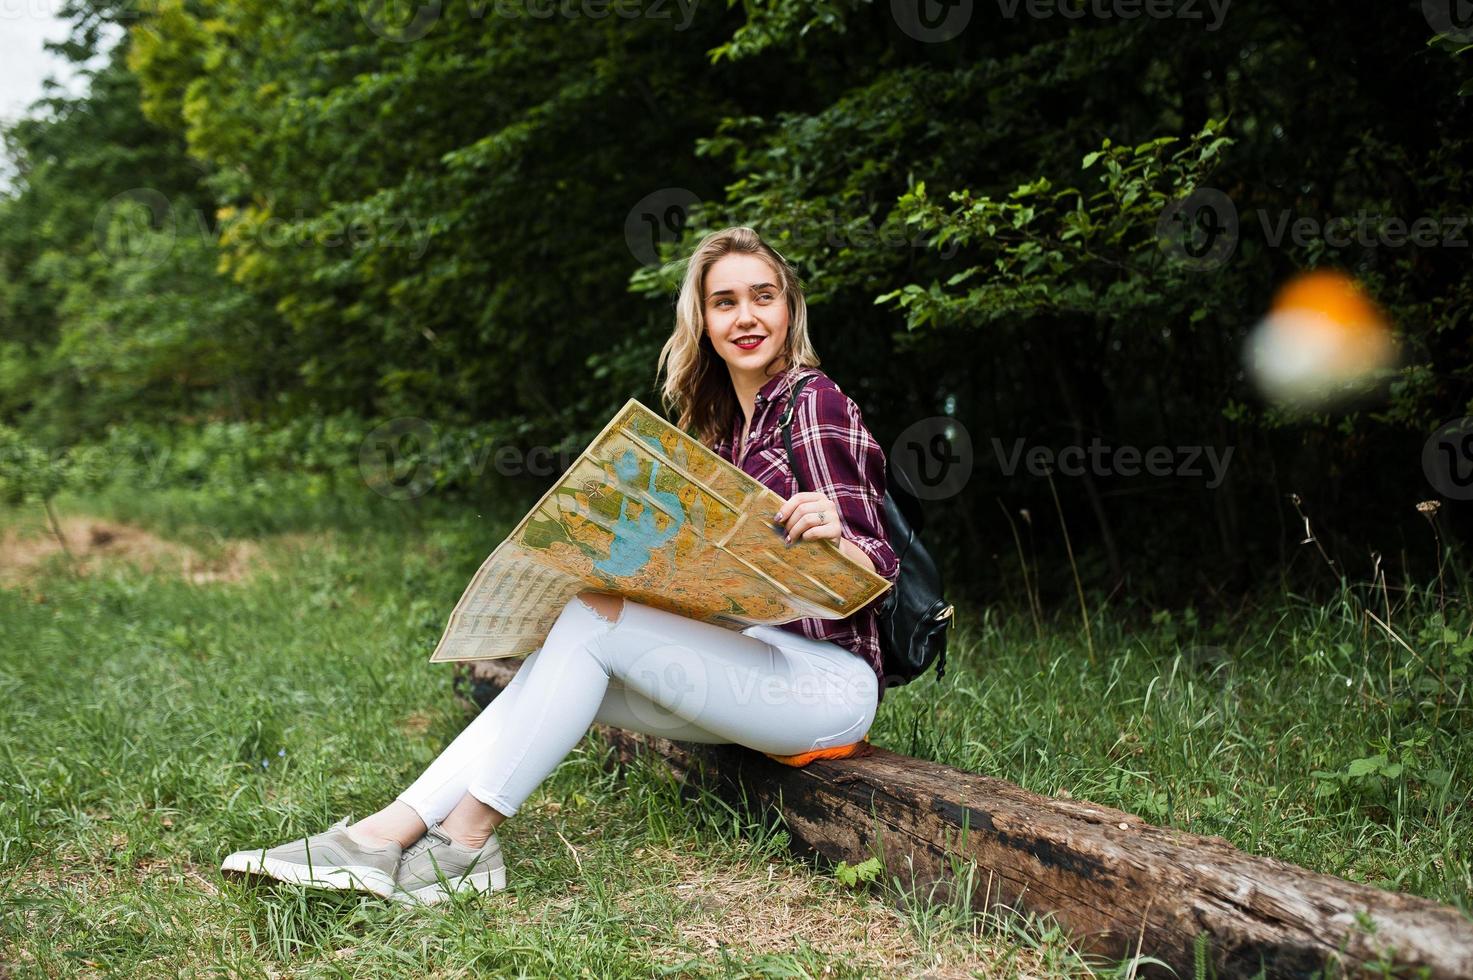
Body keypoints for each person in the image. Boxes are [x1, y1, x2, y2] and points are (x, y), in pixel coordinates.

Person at [220, 226, 900, 904]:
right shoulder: (723, 429)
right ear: (703, 322)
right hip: (750, 666)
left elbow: (876, 564)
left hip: (825, 685)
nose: (746, 316)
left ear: (789, 308)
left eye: (763, 296)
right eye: (724, 302)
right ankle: (380, 837)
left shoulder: (813, 401)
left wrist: (834, 533)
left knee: (591, 620)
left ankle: (463, 841)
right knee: (558, 663)